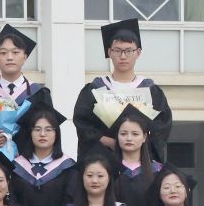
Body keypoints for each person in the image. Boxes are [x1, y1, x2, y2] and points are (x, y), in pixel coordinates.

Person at [73, 18, 173, 157]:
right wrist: (108, 141)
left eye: (128, 51)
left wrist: (137, 143)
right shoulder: (95, 89)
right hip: (104, 159)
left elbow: (161, 128)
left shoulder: (151, 91)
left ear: (138, 53)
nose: (123, 56)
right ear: (109, 52)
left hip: (139, 161)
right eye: (117, 50)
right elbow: (83, 125)